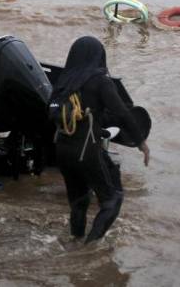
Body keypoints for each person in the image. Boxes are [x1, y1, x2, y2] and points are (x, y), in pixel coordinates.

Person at [50, 36, 150, 243]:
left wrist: (99, 128)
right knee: (112, 200)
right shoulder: (100, 81)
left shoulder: (63, 81)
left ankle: (75, 241)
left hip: (62, 149)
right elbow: (122, 113)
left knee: (79, 201)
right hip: (85, 150)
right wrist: (141, 142)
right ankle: (89, 248)